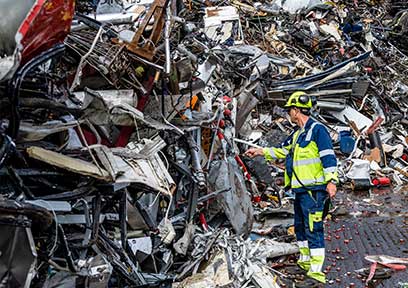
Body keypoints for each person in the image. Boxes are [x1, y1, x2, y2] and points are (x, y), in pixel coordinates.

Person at [245, 91, 338, 286]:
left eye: (290, 110)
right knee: (301, 228)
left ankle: (316, 272)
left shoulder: (317, 130)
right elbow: (282, 150)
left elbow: (328, 156)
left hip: (314, 191)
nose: (288, 114)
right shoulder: (297, 134)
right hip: (300, 191)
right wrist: (260, 151)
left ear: (296, 110)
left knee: (314, 229)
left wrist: (331, 181)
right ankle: (305, 262)